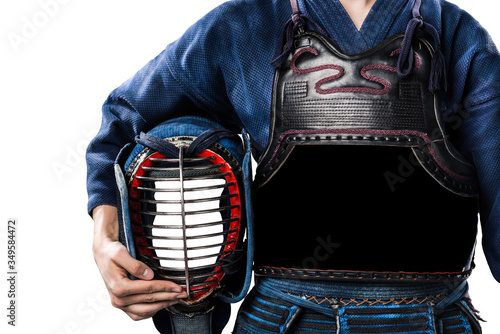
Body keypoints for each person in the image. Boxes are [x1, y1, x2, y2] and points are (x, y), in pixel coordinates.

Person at [86, 0, 500, 333]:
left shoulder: (459, 38)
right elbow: (127, 117)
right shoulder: (241, 27)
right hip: (280, 319)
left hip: (433, 320)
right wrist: (105, 241)